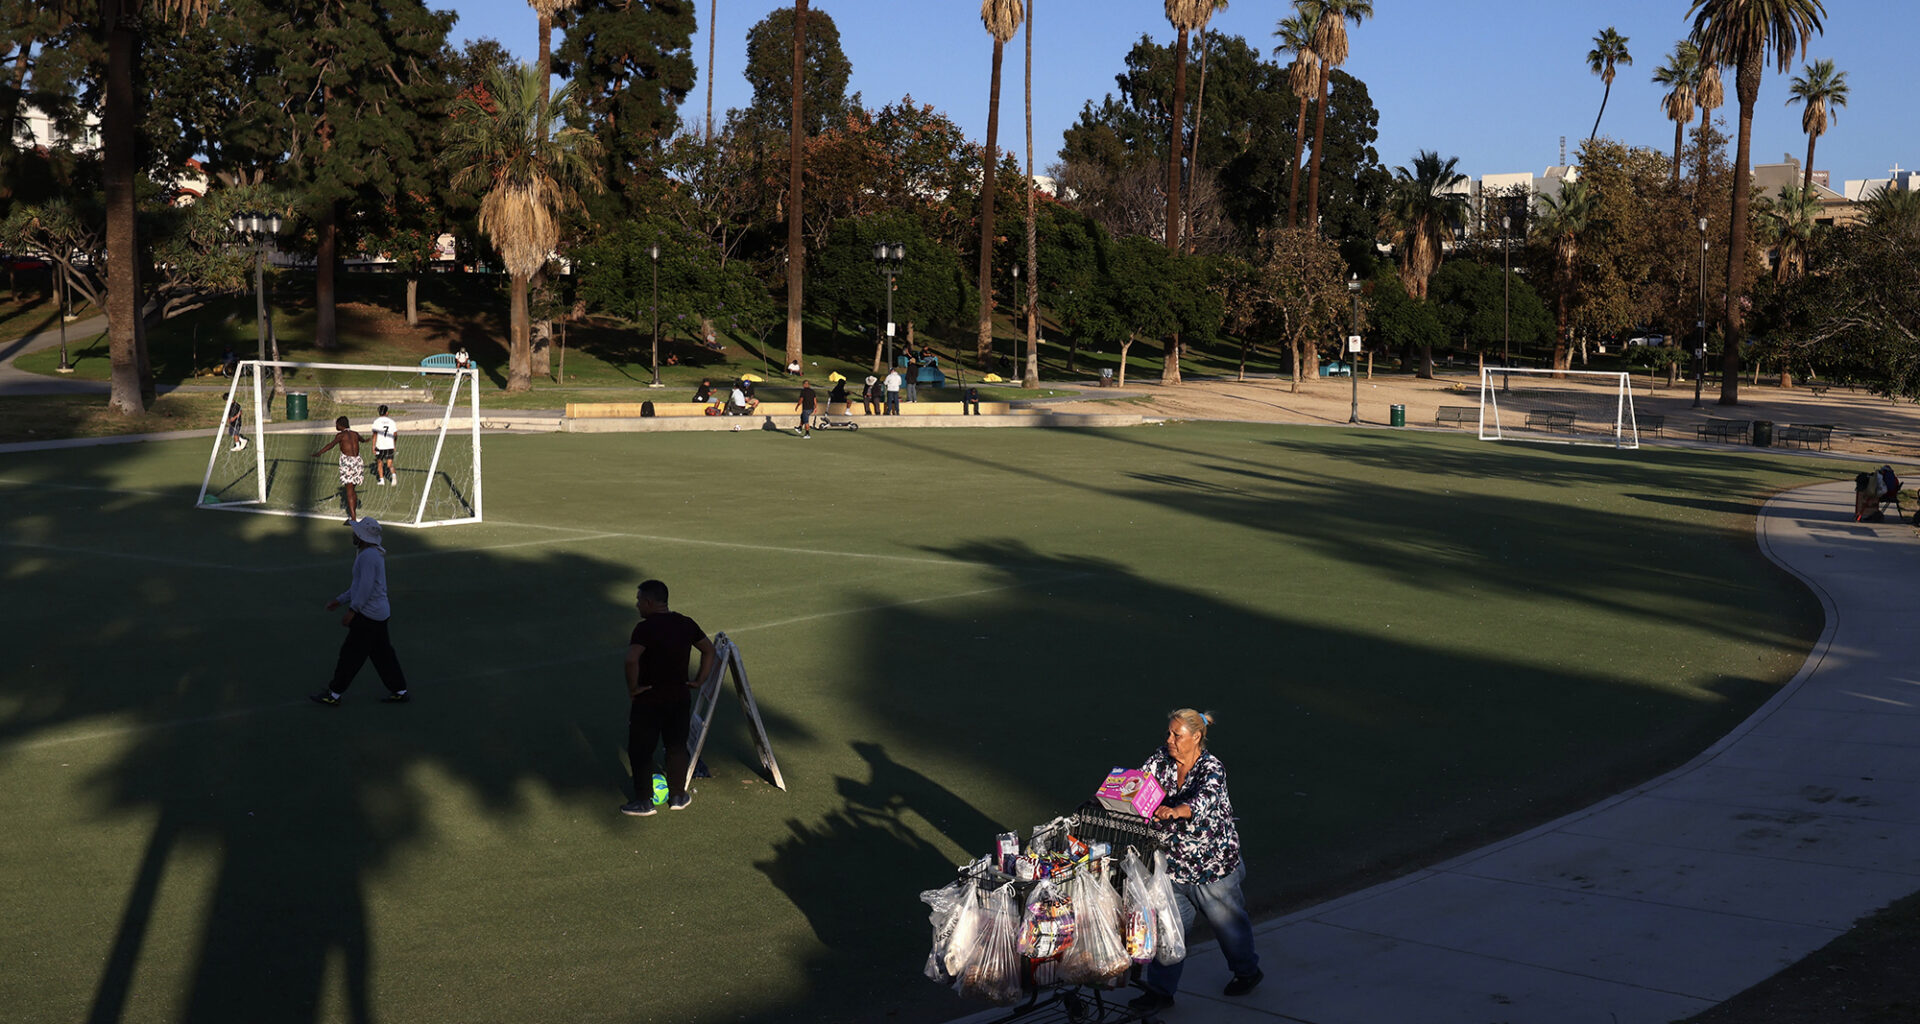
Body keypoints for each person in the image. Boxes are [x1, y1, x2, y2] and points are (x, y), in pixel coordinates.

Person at [1128, 709, 1262, 1013]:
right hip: (1172, 866)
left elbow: (1203, 801)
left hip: (1212, 868)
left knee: (1229, 927)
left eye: (1177, 735)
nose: (1169, 740)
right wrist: (1121, 793)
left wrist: (1177, 810)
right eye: (1169, 733)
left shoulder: (1212, 768)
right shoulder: (1161, 758)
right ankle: (1161, 991)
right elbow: (1140, 782)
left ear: (1196, 737)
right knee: (1168, 931)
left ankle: (1247, 972)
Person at [621, 579, 716, 816]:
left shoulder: (644, 628)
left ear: (650, 602)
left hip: (649, 699)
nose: (637, 605)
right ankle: (678, 796)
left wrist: (633, 688)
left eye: (639, 600)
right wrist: (699, 680)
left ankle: (644, 801)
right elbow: (708, 650)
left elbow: (631, 659)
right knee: (675, 747)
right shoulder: (685, 623)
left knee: (641, 750)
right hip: (679, 697)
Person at [310, 518, 409, 706]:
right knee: (383, 654)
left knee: (350, 656)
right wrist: (339, 601)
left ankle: (334, 694)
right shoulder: (368, 554)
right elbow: (358, 587)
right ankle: (400, 690)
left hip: (368, 616)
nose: (353, 535)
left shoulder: (368, 557)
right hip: (379, 614)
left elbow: (365, 588)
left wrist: (352, 611)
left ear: (363, 537)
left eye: (356, 533)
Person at [311, 416, 365, 523]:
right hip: (358, 462)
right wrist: (367, 440)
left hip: (348, 463)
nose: (336, 426)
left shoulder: (341, 435)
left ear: (341, 425)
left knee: (349, 491)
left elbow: (330, 445)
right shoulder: (355, 433)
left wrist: (319, 453)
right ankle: (353, 515)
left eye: (337, 424)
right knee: (352, 490)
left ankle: (353, 519)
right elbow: (362, 440)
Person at [370, 404, 398, 487]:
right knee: (389, 464)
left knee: (379, 463)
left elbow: (374, 435)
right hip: (389, 446)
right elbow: (395, 434)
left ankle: (381, 480)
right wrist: (394, 444)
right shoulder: (392, 422)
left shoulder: (376, 421)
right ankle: (393, 476)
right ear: (387, 412)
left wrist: (373, 446)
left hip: (380, 446)